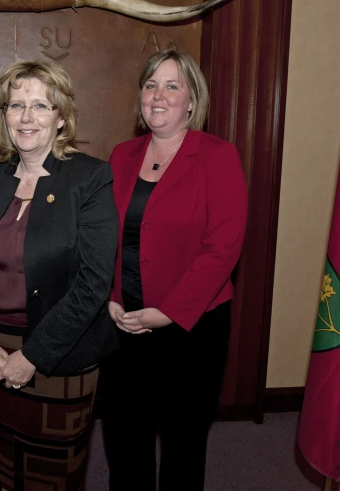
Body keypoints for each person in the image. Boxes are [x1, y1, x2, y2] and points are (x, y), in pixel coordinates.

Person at [0, 60, 119, 491]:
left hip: (60, 353)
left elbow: (93, 284)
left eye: (41, 106)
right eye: (16, 105)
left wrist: (34, 356)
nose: (26, 117)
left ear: (61, 118)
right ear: (4, 114)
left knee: (50, 476)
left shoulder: (90, 177)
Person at [101, 49, 248, 490]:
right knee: (125, 440)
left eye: (171, 85)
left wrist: (167, 311)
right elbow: (105, 235)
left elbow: (223, 248)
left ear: (191, 100)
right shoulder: (121, 155)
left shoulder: (217, 156)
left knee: (184, 445)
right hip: (123, 324)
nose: (158, 96)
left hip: (191, 328)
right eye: (150, 85)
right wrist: (109, 296)